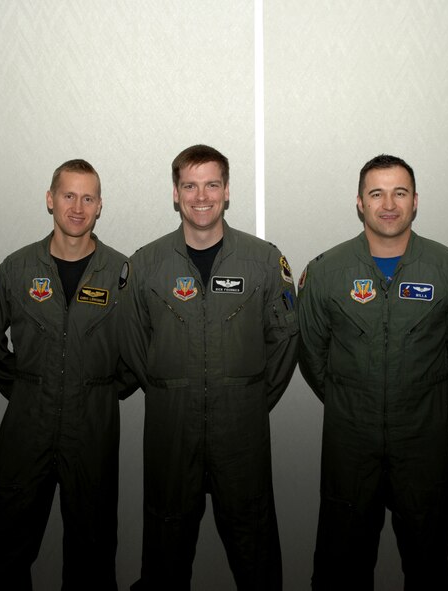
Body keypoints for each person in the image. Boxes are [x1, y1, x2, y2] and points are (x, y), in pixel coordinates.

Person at [298, 154, 448, 590]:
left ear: (415, 201)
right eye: (377, 193)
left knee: (427, 567)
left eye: (399, 193)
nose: (389, 204)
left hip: (423, 445)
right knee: (339, 568)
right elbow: (311, 353)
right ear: (360, 203)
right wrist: (354, 400)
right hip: (350, 445)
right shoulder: (326, 272)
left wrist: (422, 395)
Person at [120, 144, 298, 590]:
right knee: (164, 553)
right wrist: (169, 389)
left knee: (255, 550)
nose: (202, 196)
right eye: (190, 185)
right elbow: (132, 342)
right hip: (170, 431)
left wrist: (248, 395)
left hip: (242, 432)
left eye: (212, 184)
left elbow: (285, 341)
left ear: (227, 191)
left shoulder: (263, 261)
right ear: (176, 194)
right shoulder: (145, 264)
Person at [0, 159, 135, 590]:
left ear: (100, 206)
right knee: (1, 549)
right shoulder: (18, 267)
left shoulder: (122, 274)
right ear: (50, 200)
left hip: (93, 428)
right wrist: (23, 387)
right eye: (68, 195)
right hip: (27, 427)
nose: (77, 207)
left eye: (87, 197)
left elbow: (142, 350)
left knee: (93, 554)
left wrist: (104, 391)